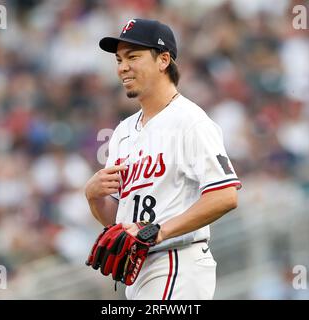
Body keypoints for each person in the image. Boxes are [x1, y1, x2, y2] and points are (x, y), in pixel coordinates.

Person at [84, 18, 241, 300]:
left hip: (177, 261)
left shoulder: (190, 121)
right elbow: (118, 223)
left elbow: (225, 195)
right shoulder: (122, 132)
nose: (122, 67)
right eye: (119, 59)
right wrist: (94, 198)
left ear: (163, 60)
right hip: (140, 270)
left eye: (133, 57)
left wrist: (159, 231)